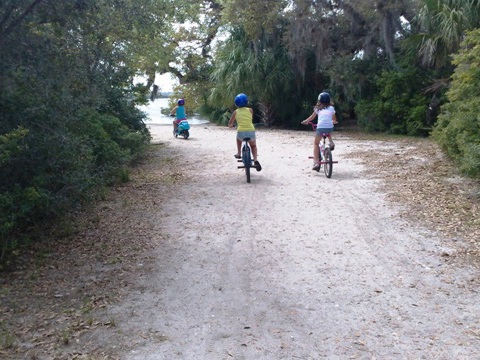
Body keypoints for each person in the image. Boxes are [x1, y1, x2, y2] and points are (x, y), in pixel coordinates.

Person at [301, 92, 338, 171]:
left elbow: (311, 117)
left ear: (319, 101)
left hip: (320, 128)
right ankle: (331, 142)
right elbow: (334, 119)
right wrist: (334, 121)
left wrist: (305, 121)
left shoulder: (317, 109)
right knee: (329, 129)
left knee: (316, 143)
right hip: (329, 127)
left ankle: (316, 162)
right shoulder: (331, 108)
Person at [228, 93, 262, 171]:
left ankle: (239, 153)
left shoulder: (235, 112)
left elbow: (230, 123)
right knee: (253, 146)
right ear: (246, 102)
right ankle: (255, 160)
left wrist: (231, 126)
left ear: (236, 103)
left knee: (238, 138)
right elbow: (250, 119)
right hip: (251, 131)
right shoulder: (250, 110)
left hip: (241, 132)